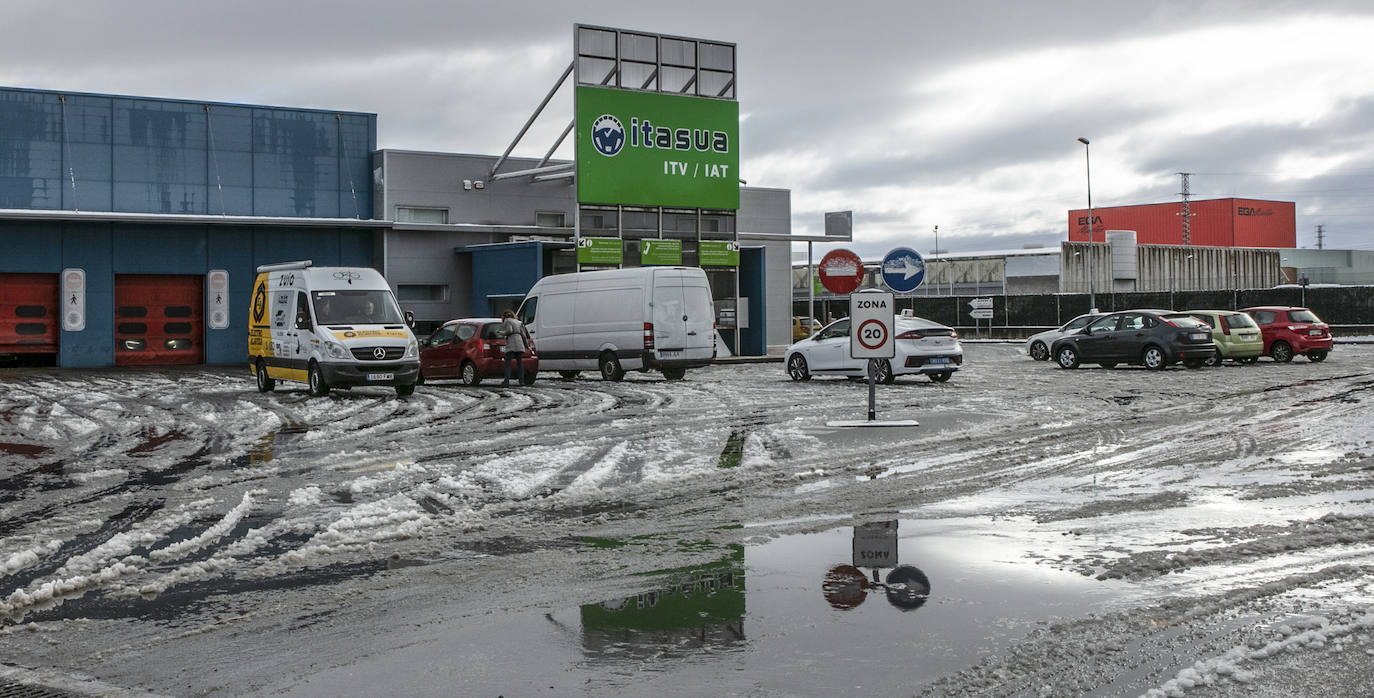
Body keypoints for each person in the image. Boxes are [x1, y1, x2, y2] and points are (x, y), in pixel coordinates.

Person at [500, 309, 528, 387]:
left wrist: (501, 333)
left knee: (508, 363)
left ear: (504, 316)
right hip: (519, 343)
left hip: (511, 343)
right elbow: (524, 335)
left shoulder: (507, 321)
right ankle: (521, 381)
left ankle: (506, 381)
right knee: (520, 363)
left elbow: (509, 330)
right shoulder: (519, 322)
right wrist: (527, 346)